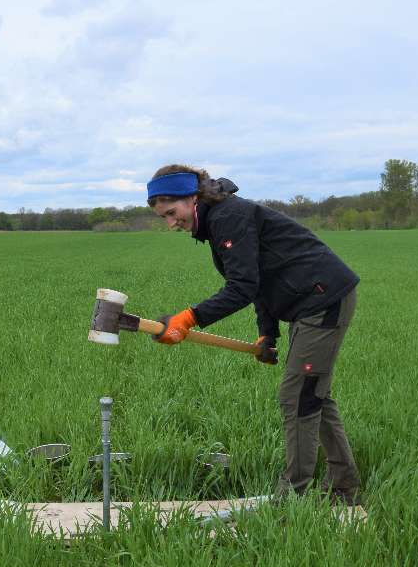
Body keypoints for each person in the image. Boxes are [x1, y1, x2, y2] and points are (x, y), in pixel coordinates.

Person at [146, 164, 363, 505]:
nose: (171, 223)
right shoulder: (220, 219)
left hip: (323, 300)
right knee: (313, 395)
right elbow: (260, 280)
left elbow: (243, 287)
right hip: (311, 302)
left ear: (192, 198)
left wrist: (189, 318)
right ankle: (344, 487)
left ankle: (291, 499)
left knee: (298, 397)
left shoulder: (227, 217)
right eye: (164, 218)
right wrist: (267, 334)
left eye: (172, 213)